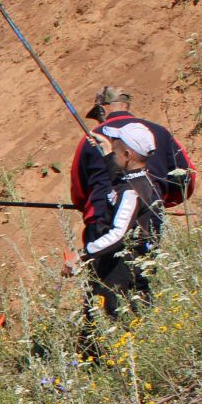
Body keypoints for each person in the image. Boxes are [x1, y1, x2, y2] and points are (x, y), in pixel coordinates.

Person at [67, 85, 194, 257]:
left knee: (107, 282)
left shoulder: (92, 138)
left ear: (102, 108)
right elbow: (186, 178)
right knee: (143, 278)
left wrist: (97, 209)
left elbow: (79, 192)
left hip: (103, 222)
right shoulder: (159, 132)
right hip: (149, 219)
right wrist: (158, 201)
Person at [67, 122, 163, 333]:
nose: (114, 148)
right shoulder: (142, 180)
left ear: (128, 154)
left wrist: (82, 254)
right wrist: (108, 152)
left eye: (117, 146)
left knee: (110, 332)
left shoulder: (132, 192)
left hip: (120, 277)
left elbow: (118, 234)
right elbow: (118, 180)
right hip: (130, 272)